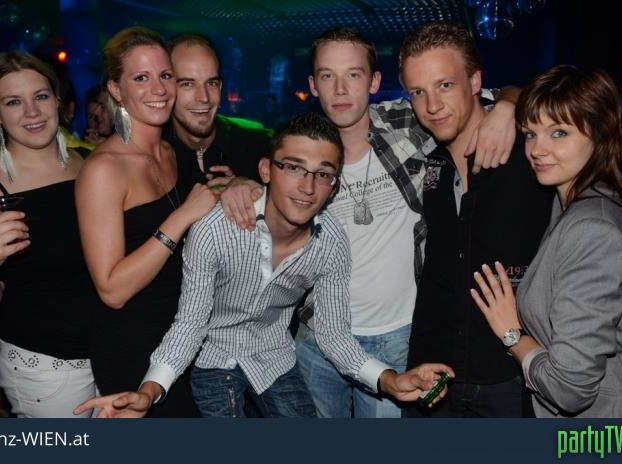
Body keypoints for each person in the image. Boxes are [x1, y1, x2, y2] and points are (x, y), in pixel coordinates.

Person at [219, 27, 519, 418]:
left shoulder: (410, 121)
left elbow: (503, 94)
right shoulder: (301, 149)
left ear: (374, 82)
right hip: (318, 337)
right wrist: (241, 185)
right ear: (312, 84)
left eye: (353, 75)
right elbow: (263, 186)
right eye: (328, 76)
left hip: (396, 336)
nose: (341, 89)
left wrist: (508, 109)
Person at [74, 113, 455, 418]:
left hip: (274, 355)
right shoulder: (213, 231)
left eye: (323, 174)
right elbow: (189, 325)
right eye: (293, 167)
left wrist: (389, 381)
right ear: (266, 170)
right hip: (213, 355)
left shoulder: (331, 242)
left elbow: (334, 335)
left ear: (335, 186)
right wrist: (149, 392)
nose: (307, 186)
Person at [471, 65, 622, 418]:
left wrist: (511, 333)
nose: (537, 149)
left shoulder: (592, 229)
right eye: (530, 134)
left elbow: (569, 389)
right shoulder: (583, 204)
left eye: (559, 132)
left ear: (600, 135)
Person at [400, 22, 554, 417]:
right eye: (418, 92)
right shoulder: (429, 160)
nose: (432, 106)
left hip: (510, 374)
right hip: (435, 371)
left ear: (475, 82)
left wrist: (510, 104)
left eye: (445, 85)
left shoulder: (529, 152)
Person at [75, 27, 216, 418]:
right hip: (134, 349)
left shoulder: (171, 151)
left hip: (184, 338)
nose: (159, 89)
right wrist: (182, 216)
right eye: (141, 77)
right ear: (116, 89)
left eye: (165, 75)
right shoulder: (104, 170)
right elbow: (111, 289)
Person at [0, 51, 96, 418]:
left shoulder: (92, 164)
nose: (32, 112)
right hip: (47, 371)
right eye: (13, 102)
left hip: (115, 351)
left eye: (40, 96)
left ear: (57, 100)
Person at [163, 34, 270, 193]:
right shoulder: (154, 155)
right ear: (167, 88)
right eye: (187, 84)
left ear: (220, 87)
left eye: (211, 83)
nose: (204, 98)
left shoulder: (259, 144)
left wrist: (259, 195)